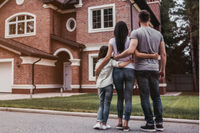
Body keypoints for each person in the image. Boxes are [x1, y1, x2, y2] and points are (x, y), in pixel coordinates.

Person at [95, 21, 158, 131]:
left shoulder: (112, 41)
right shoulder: (131, 40)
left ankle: (119, 122)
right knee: (128, 98)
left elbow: (107, 57)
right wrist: (131, 60)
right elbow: (135, 55)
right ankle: (125, 124)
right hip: (130, 70)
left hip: (117, 71)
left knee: (120, 97)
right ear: (126, 30)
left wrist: (98, 68)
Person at [114, 10, 167, 132]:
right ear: (149, 20)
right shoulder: (158, 34)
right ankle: (159, 123)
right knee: (156, 96)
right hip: (154, 69)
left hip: (141, 69)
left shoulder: (136, 32)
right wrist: (162, 68)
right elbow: (163, 53)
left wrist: (118, 56)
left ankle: (149, 123)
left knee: (145, 97)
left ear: (138, 20)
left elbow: (131, 50)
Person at [93, 45, 132, 130]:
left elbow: (97, 75)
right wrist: (130, 61)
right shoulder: (110, 61)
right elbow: (121, 65)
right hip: (108, 86)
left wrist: (97, 87)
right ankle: (104, 124)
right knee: (106, 104)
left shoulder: (98, 62)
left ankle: (98, 122)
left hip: (100, 86)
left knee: (101, 104)